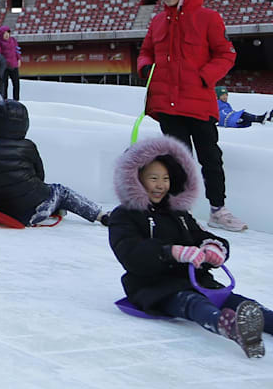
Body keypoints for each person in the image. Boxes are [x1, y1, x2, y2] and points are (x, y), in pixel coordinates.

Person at [108, 136, 269, 358]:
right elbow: (131, 254)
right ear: (135, 179)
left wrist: (213, 247)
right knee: (193, 303)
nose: (160, 184)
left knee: (238, 301)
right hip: (154, 286)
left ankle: (266, 320)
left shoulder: (177, 213)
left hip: (195, 279)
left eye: (165, 178)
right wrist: (170, 252)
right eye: (153, 178)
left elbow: (199, 235)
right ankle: (230, 327)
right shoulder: (124, 216)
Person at [138, 0, 244, 232]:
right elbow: (145, 52)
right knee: (176, 161)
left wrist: (204, 77)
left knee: (210, 157)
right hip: (168, 105)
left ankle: (218, 210)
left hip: (199, 103)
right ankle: (180, 210)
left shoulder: (209, 18)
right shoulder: (158, 21)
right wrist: (145, 67)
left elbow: (226, 54)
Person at [0, 100, 108, 226]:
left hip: (2, 209)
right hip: (33, 210)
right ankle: (101, 215)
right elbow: (40, 175)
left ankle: (55, 207)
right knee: (60, 191)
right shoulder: (28, 146)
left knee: (19, 192)